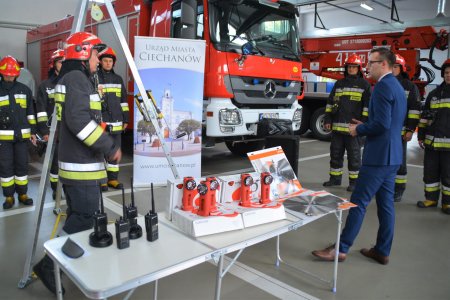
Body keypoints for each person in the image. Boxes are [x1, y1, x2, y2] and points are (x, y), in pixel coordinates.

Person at [33, 32, 121, 295]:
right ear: (83, 53)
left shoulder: (73, 78)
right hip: (81, 167)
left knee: (78, 216)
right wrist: (108, 146)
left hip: (78, 163)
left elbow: (79, 118)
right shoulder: (77, 79)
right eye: (96, 54)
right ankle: (50, 265)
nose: (99, 59)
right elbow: (80, 121)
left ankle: (67, 265)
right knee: (84, 218)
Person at [312, 48, 406, 265]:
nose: (367, 67)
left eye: (371, 63)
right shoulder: (397, 86)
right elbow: (390, 122)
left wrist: (359, 130)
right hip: (393, 156)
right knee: (385, 206)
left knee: (358, 203)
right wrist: (367, 124)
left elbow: (381, 124)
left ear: (383, 64)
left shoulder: (382, 87)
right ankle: (382, 250)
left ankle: (341, 249)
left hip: (378, 157)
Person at [323, 54, 371, 192]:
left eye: (354, 67)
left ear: (359, 69)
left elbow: (367, 107)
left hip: (353, 130)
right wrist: (328, 119)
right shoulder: (339, 83)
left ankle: (354, 182)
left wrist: (362, 125)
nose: (351, 69)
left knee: (354, 157)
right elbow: (331, 102)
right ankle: (335, 179)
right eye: (349, 66)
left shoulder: (364, 85)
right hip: (337, 128)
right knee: (335, 154)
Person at [0, 55, 36, 209]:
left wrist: (33, 131)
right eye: (6, 73)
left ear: (16, 73)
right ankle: (8, 197)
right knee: (6, 167)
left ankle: (22, 194)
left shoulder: (25, 90)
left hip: (22, 137)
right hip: (3, 139)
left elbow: (30, 113)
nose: (9, 75)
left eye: (11, 73)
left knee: (22, 166)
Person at [416, 59, 450, 214]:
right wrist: (421, 136)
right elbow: (425, 117)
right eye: (447, 72)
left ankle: (447, 203)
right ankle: (431, 199)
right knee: (430, 172)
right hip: (431, 143)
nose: (449, 75)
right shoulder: (434, 94)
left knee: (448, 175)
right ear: (443, 74)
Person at [96, 47, 129, 191]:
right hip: (101, 122)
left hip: (116, 122)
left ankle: (113, 179)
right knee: (101, 152)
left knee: (115, 150)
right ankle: (102, 180)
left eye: (110, 61)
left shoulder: (118, 79)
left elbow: (123, 101)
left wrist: (126, 119)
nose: (108, 63)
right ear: (100, 62)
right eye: (105, 61)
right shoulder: (94, 78)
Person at [392, 54, 421, 202]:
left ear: (401, 68)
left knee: (399, 161)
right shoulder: (384, 84)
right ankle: (387, 187)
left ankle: (399, 189)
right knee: (386, 160)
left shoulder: (409, 86)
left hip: (400, 132)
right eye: (391, 66)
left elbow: (415, 110)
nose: (393, 69)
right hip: (385, 132)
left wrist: (410, 129)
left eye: (395, 66)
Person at [35, 49, 64, 199]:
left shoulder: (72, 82)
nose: (63, 64)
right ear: (53, 64)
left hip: (70, 131)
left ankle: (68, 188)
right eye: (60, 61)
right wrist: (44, 132)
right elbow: (40, 111)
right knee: (55, 164)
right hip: (54, 132)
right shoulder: (45, 85)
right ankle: (55, 189)